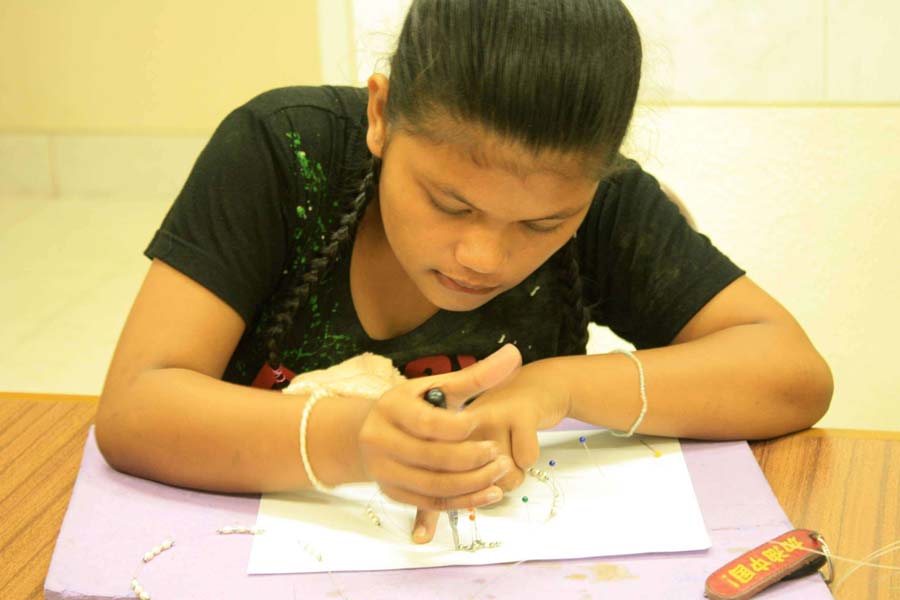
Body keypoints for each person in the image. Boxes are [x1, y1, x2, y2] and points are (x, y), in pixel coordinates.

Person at [95, 0, 833, 544]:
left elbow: (791, 373)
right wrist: (356, 441)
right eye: (449, 203)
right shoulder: (283, 155)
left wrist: (557, 387)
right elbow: (136, 407)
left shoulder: (606, 203)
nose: (483, 257)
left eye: (543, 225)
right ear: (381, 115)